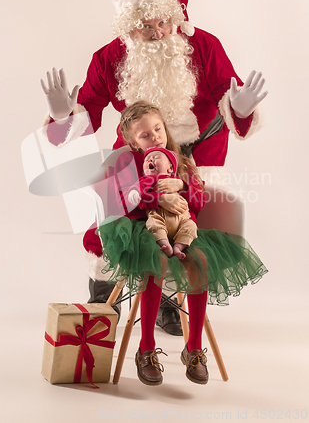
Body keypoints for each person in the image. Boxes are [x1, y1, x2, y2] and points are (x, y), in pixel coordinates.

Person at [40, 0, 268, 335]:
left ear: (176, 18)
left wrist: (239, 109)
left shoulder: (204, 46)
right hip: (135, 152)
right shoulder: (109, 58)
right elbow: (88, 115)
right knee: (112, 220)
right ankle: (104, 300)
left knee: (185, 227)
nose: (158, 32)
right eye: (146, 26)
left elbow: (232, 99)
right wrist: (62, 115)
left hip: (198, 153)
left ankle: (168, 302)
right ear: (129, 27)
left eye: (164, 22)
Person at [96, 101, 268, 386]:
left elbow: (199, 203)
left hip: (182, 228)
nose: (155, 138)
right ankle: (147, 347)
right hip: (141, 229)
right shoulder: (128, 162)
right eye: (145, 135)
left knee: (199, 260)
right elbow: (124, 202)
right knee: (157, 260)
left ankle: (194, 348)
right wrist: (157, 198)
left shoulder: (182, 160)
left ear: (164, 127)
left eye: (157, 129)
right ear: (132, 141)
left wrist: (183, 187)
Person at [129, 146, 200, 260]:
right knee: (153, 224)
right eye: (147, 160)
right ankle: (165, 244)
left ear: (170, 168)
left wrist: (182, 185)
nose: (150, 160)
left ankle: (178, 247)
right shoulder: (148, 180)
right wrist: (134, 192)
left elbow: (198, 202)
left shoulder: (177, 181)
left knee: (191, 226)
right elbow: (138, 189)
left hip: (182, 219)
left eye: (156, 157)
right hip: (159, 216)